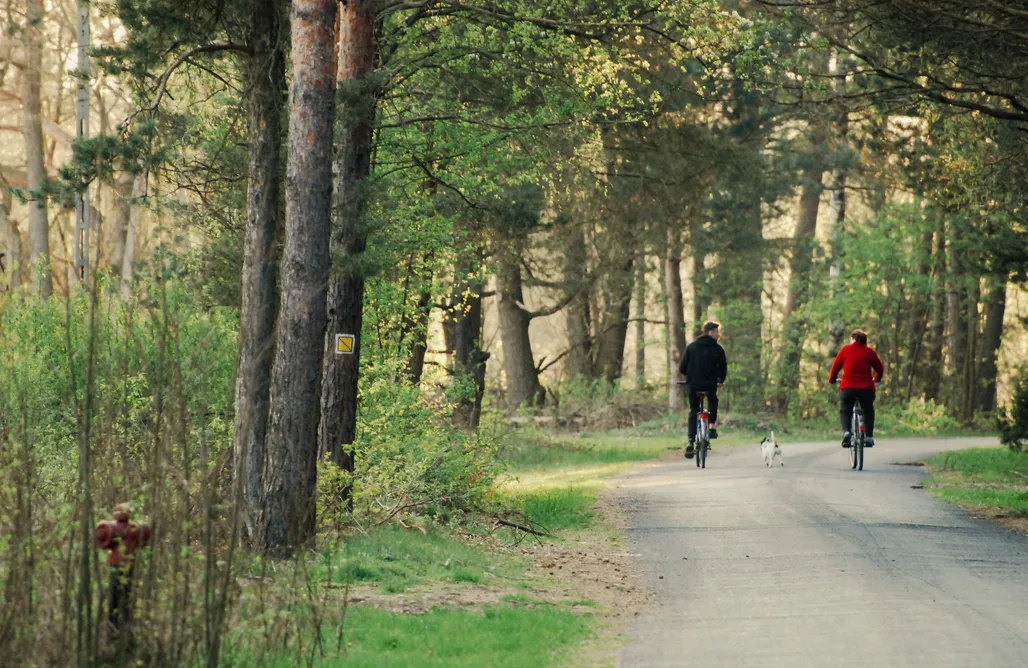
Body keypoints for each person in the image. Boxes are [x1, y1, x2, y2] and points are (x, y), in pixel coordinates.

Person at [828, 329, 884, 448]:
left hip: (848, 388)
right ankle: (868, 437)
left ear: (853, 339)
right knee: (868, 410)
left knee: (845, 409)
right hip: (866, 389)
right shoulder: (869, 352)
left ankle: (847, 432)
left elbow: (835, 367)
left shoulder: (846, 349)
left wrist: (832, 379)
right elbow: (880, 368)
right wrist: (877, 378)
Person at [680, 321, 727, 458]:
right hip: (710, 385)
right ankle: (711, 427)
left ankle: (690, 441)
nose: (719, 335)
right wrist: (720, 381)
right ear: (710, 333)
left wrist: (691, 376)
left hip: (693, 386)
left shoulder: (691, 347)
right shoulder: (718, 349)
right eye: (717, 332)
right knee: (713, 400)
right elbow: (723, 369)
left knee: (693, 411)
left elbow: (682, 368)